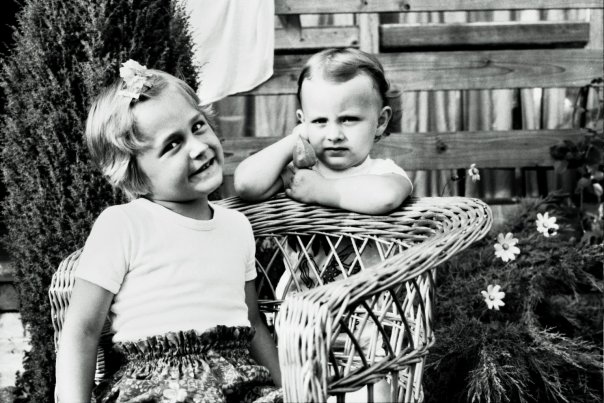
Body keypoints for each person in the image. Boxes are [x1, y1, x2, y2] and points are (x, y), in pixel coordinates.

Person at [55, 60, 282, 403]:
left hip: (238, 382)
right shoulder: (124, 225)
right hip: (156, 388)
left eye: (198, 126)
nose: (199, 147)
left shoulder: (237, 226)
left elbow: (252, 322)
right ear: (134, 173)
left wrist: (289, 389)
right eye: (173, 144)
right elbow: (82, 330)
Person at [234, 48, 413, 402]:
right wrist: (295, 139)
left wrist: (324, 191)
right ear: (302, 121)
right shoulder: (298, 173)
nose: (334, 134)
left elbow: (388, 196)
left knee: (374, 394)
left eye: (349, 119)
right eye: (319, 121)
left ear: (380, 121)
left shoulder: (381, 172)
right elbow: (245, 184)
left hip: (366, 335)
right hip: (299, 335)